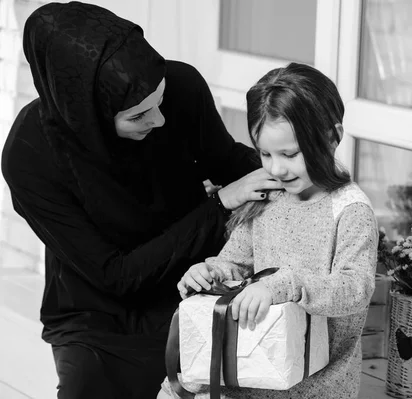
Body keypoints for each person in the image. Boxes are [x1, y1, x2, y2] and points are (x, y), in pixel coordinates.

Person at [0, 2, 282, 398]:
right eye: (138, 116)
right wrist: (219, 206)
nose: (160, 120)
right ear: (87, 113)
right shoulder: (29, 156)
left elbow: (229, 162)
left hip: (194, 281)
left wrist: (300, 178)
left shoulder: (180, 85)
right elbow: (114, 276)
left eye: (159, 100)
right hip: (96, 312)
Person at [159, 62, 379, 399]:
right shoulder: (270, 194)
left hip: (315, 389)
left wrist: (285, 285)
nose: (277, 167)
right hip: (249, 373)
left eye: (290, 154)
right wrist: (210, 272)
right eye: (265, 153)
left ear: (332, 137)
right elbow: (236, 262)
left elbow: (355, 288)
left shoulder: (350, 210)